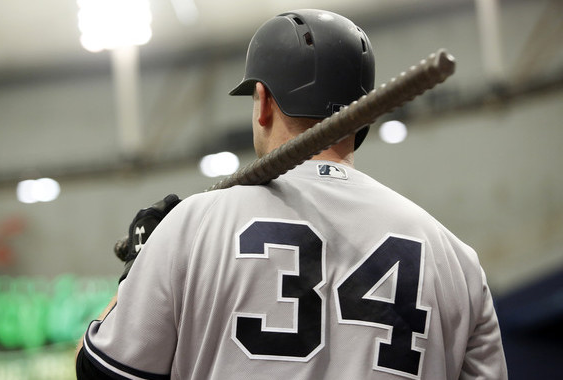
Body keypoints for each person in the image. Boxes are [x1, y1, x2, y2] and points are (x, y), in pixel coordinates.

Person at [76, 9, 507, 379]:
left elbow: (99, 372)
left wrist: (138, 265)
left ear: (262, 101)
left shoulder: (191, 225)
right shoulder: (458, 261)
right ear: (364, 116)